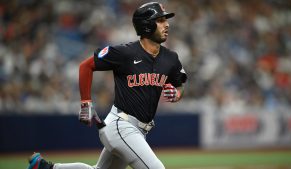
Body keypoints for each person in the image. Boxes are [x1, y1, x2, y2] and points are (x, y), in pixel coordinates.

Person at [27, 2, 187, 169]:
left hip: (139, 130)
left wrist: (177, 94)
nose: (167, 24)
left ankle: (44, 167)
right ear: (146, 25)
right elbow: (86, 66)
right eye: (160, 20)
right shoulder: (125, 53)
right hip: (121, 125)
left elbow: (180, 84)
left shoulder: (171, 58)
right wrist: (85, 102)